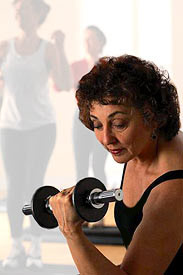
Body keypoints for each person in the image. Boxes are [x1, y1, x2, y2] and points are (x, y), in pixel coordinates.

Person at [49, 54, 183, 274]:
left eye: (118, 124)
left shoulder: (173, 190)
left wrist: (71, 231)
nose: (106, 139)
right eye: (97, 125)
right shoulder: (141, 147)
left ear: (151, 115)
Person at [0, 0, 71, 270]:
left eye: (24, 10)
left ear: (38, 14)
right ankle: (16, 244)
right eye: (16, 10)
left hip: (41, 127)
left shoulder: (48, 48)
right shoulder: (5, 47)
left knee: (33, 183)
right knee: (15, 186)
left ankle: (37, 244)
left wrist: (62, 47)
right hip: (9, 126)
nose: (19, 14)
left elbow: (64, 84)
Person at [71, 27, 108, 224]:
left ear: (100, 42)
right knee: (81, 168)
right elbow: (59, 85)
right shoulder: (76, 66)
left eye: (91, 39)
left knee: (98, 166)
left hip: (101, 122)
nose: (87, 43)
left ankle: (99, 213)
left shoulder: (106, 65)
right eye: (85, 39)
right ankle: (82, 213)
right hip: (80, 121)